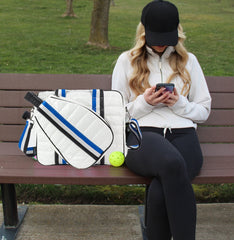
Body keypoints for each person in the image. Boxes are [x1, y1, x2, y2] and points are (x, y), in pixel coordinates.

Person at [111, 1, 211, 240]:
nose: (160, 43)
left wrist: (178, 103)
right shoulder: (126, 61)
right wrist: (145, 102)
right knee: (171, 164)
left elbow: (204, 111)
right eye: (155, 36)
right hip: (143, 134)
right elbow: (115, 114)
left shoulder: (190, 61)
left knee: (159, 188)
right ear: (143, 31)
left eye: (166, 37)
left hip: (184, 135)